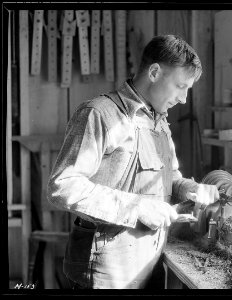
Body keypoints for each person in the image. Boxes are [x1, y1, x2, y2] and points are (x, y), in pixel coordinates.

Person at [47, 34, 219, 289]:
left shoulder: (159, 121)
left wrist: (189, 189)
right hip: (106, 265)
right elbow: (62, 186)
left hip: (148, 258)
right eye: (181, 86)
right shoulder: (100, 114)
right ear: (154, 72)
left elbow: (169, 178)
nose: (184, 99)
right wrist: (137, 207)